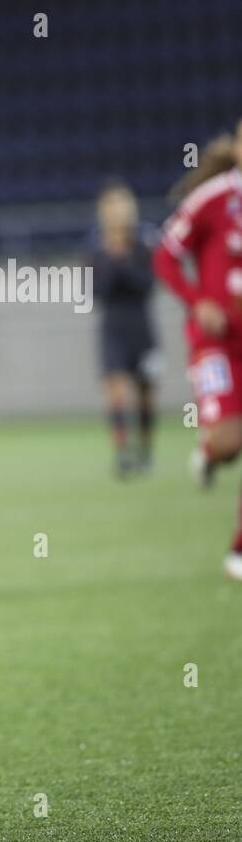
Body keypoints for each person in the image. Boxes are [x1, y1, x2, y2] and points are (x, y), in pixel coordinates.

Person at [153, 119, 242, 580]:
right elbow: (165, 254)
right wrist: (198, 301)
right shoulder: (214, 199)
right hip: (216, 346)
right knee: (230, 443)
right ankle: (209, 454)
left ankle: (237, 553)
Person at [90, 180, 159, 477]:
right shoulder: (95, 247)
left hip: (141, 326)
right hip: (112, 328)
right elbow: (97, 290)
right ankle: (122, 455)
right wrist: (112, 260)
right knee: (116, 393)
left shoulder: (144, 242)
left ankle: (145, 453)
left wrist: (123, 262)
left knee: (145, 393)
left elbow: (147, 285)